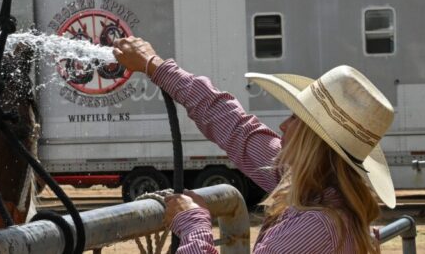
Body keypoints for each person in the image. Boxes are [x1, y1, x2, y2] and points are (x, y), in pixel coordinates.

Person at [112, 36, 396, 254]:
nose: (284, 125)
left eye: (296, 118)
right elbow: (234, 125)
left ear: (315, 142)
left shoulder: (316, 227)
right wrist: (155, 66)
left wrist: (193, 223)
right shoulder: (313, 189)